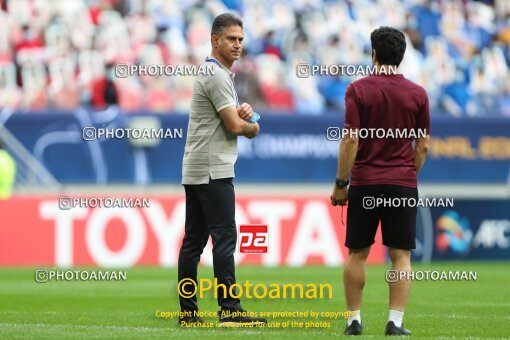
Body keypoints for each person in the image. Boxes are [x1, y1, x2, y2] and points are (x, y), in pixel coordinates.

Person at [330, 26, 430, 336]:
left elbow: (350, 141)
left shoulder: (358, 89)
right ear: (401, 56)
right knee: (400, 255)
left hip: (365, 181)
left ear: (373, 54)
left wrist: (341, 183)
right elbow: (423, 145)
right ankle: (395, 323)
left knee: (358, 253)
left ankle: (354, 321)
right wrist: (407, 174)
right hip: (401, 182)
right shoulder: (418, 93)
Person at [178, 13, 266, 327]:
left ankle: (188, 313)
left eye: (241, 39)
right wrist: (252, 125)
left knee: (194, 242)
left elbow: (229, 118)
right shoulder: (216, 75)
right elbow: (234, 125)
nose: (238, 45)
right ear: (215, 40)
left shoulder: (214, 73)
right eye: (231, 39)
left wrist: (244, 113)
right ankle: (230, 310)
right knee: (225, 237)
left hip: (198, 166)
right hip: (213, 168)